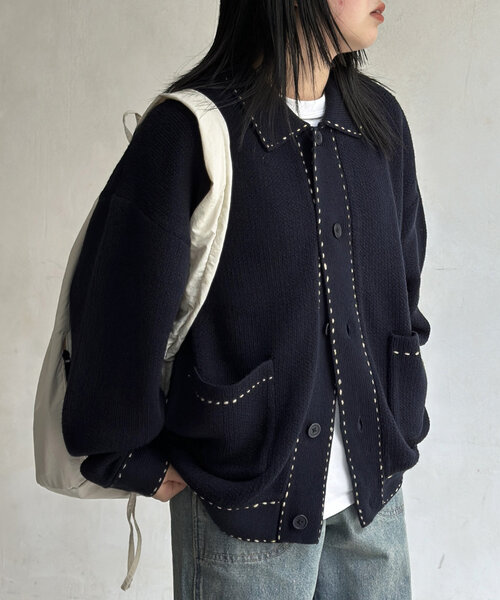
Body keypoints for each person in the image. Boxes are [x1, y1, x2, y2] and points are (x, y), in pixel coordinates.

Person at [62, 0, 431, 598]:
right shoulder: (189, 131)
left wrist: (402, 406)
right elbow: (118, 308)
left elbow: (403, 287)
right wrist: (127, 456)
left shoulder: (380, 122)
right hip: (242, 504)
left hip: (374, 498)